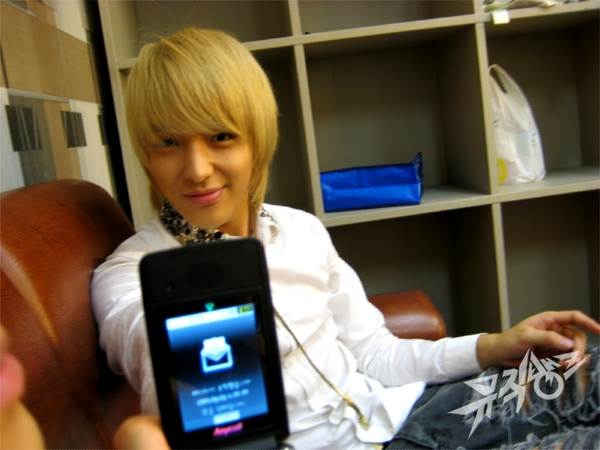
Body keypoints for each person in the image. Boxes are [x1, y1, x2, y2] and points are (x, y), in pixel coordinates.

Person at [91, 27, 600, 449]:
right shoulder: (131, 278)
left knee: (585, 374)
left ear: (257, 139)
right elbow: (151, 356)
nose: (197, 170)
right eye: (168, 143)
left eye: (220, 136)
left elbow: (375, 353)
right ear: (146, 154)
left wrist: (493, 346)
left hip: (406, 414)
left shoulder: (300, 230)